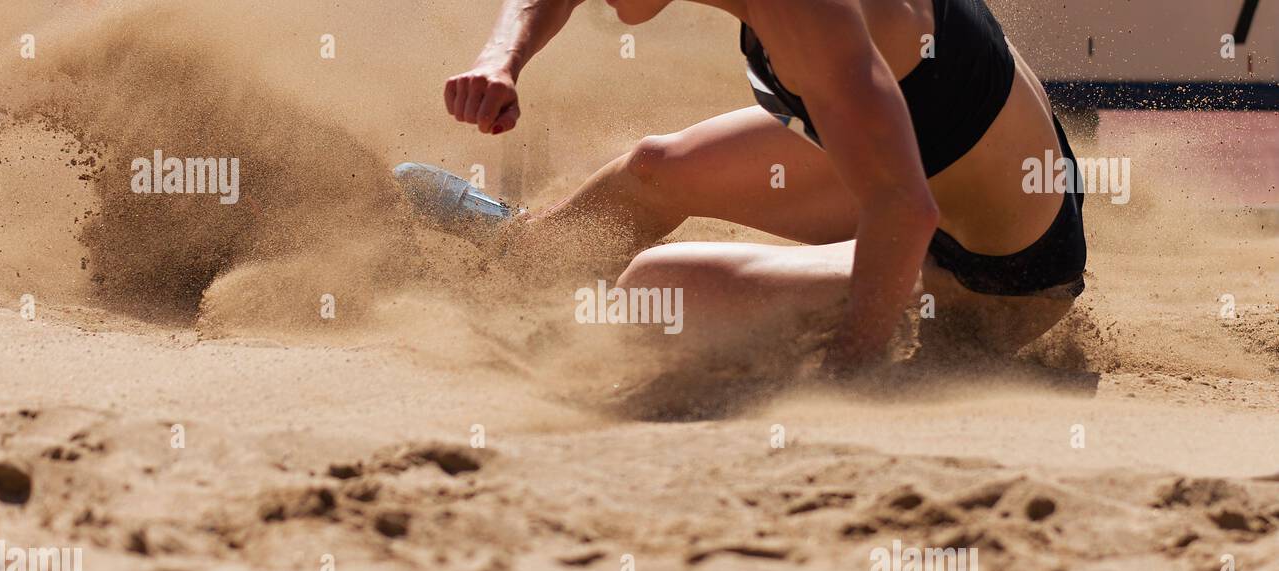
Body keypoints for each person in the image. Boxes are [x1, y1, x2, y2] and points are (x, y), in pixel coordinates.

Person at [414, 0, 1087, 372]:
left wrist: (847, 377)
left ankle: (886, 335)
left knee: (653, 292)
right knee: (654, 169)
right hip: (938, 159)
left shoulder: (807, 15)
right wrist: (500, 61)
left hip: (995, 270)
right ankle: (524, 252)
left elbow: (905, 209)